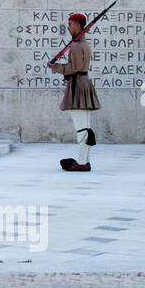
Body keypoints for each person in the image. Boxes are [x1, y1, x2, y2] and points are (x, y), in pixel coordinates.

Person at [47, 12, 100, 172]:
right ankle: (84, 160)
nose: (68, 27)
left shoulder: (77, 45)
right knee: (85, 126)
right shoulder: (82, 43)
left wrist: (55, 67)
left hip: (77, 84)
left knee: (81, 127)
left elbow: (73, 68)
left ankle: (82, 162)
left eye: (70, 24)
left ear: (77, 25)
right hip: (83, 83)